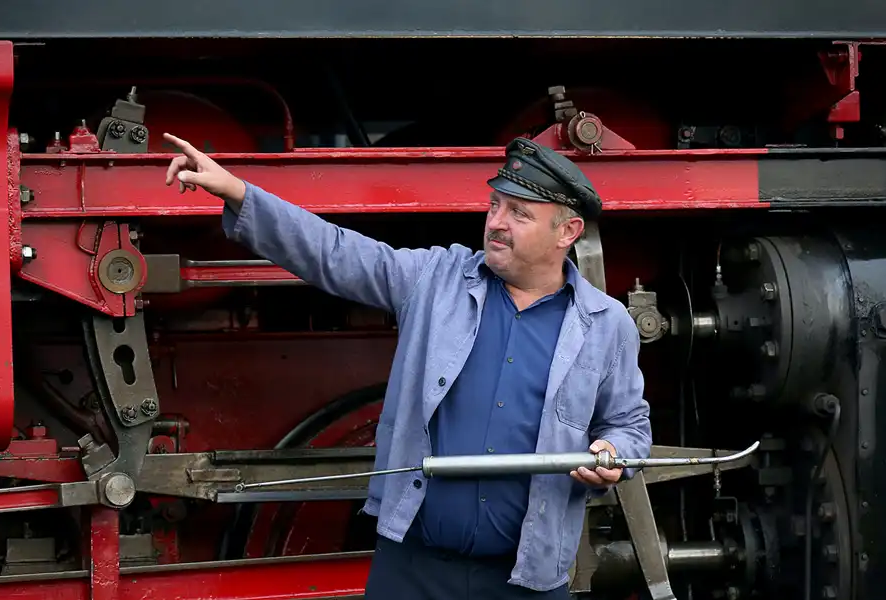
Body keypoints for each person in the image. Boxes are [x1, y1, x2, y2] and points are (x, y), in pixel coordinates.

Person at [162, 132, 652, 599]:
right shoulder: (434, 279)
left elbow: (630, 425)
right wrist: (238, 193)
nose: (496, 221)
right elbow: (336, 253)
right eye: (494, 205)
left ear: (568, 231)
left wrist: (614, 453)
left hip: (528, 577)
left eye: (519, 213)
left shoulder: (607, 325)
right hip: (414, 567)